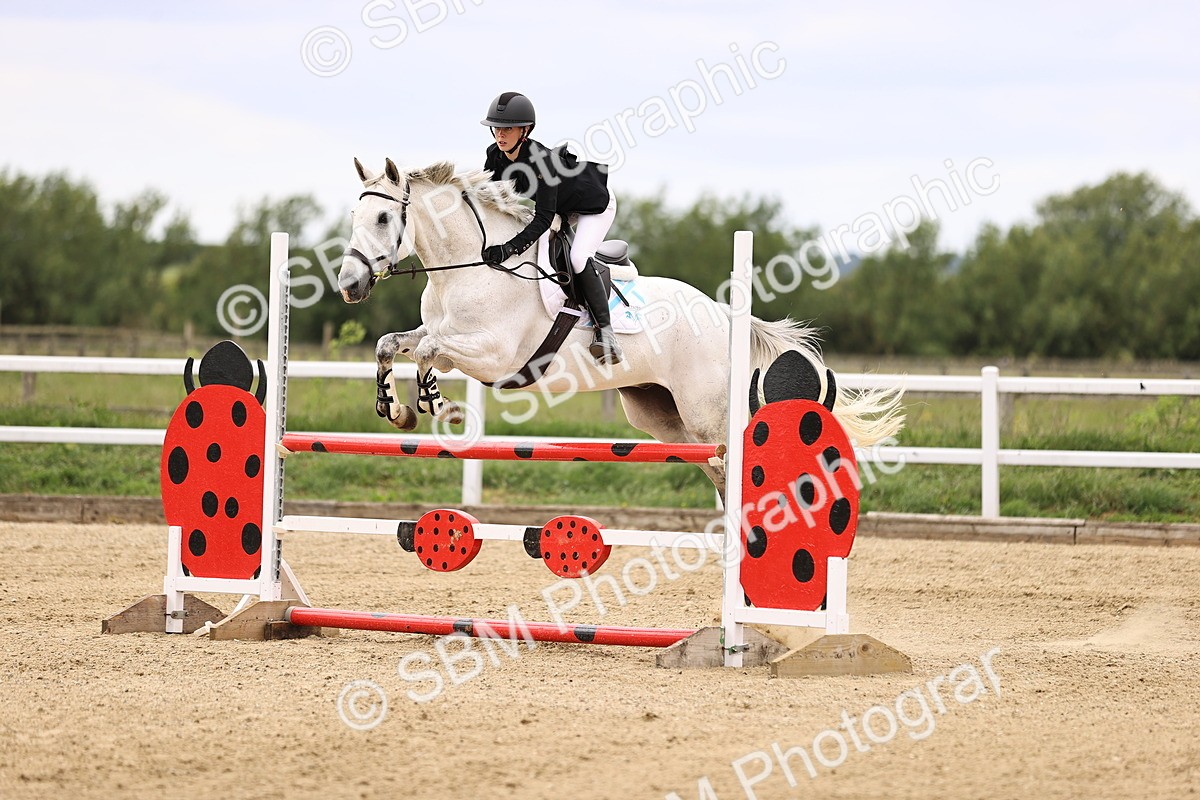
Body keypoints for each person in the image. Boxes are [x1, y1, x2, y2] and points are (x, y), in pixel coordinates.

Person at [479, 91, 623, 365]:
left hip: (594, 204)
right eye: (496, 128)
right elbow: (490, 198)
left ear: (525, 130)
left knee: (579, 257)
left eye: (507, 128)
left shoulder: (541, 161)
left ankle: (606, 333)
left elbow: (542, 219)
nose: (500, 134)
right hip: (559, 206)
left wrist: (509, 248)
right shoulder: (494, 156)